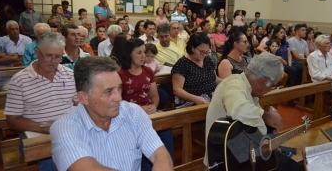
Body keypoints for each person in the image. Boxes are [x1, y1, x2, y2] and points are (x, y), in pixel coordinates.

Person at [50, 56, 173, 171]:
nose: (118, 98)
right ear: (83, 97)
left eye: (119, 88)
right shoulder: (64, 127)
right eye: (108, 91)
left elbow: (160, 155)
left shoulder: (133, 112)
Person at [205, 53, 303, 171]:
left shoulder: (249, 88)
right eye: (273, 85)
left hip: (245, 149)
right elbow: (238, 109)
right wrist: (265, 115)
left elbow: (250, 124)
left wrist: (269, 141)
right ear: (262, 81)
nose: (271, 89)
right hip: (227, 158)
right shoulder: (233, 84)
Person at [5, 31, 77, 171]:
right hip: (37, 135)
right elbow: (12, 119)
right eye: (49, 56)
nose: (53, 61)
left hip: (66, 132)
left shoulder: (70, 75)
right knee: (51, 162)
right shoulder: (20, 80)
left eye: (58, 57)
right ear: (37, 52)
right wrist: (42, 128)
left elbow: (78, 104)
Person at [117, 39, 174, 170]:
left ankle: (166, 164)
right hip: (129, 115)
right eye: (139, 52)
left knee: (165, 128)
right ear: (129, 54)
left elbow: (154, 96)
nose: (143, 56)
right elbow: (117, 102)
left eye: (144, 52)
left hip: (149, 112)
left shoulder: (148, 71)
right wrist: (138, 109)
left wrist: (154, 106)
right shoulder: (120, 74)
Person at [171, 33, 222, 108]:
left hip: (212, 98)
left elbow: (215, 79)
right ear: (192, 47)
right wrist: (195, 99)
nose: (204, 54)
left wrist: (230, 81)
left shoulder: (207, 59)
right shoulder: (182, 64)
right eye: (201, 52)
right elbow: (177, 90)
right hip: (191, 101)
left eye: (207, 52)